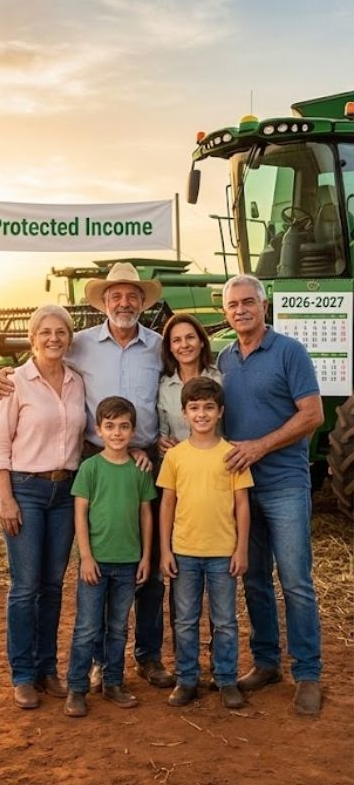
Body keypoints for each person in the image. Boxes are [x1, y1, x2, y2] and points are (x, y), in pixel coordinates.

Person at [0, 262, 175, 690]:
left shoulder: (158, 346)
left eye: (132, 295)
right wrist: (6, 377)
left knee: (144, 563)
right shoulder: (80, 344)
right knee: (94, 564)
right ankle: (90, 662)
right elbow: (44, 352)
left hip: (145, 460)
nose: (124, 302)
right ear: (105, 302)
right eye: (116, 295)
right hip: (92, 463)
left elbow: (181, 378)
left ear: (143, 301)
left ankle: (147, 656)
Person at [215, 274, 325, 714]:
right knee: (255, 579)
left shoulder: (289, 352)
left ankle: (309, 673)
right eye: (232, 305)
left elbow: (313, 414)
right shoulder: (222, 359)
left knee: (296, 581)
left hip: (283, 483)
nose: (240, 310)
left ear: (264, 307)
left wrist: (260, 446)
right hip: (239, 489)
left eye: (247, 302)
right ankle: (266, 662)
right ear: (224, 313)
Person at [0, 304, 85, 709]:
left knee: (52, 585)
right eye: (44, 332)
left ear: (69, 337)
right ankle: (23, 675)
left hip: (65, 492)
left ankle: (48, 670)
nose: (53, 338)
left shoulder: (78, 381)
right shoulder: (15, 383)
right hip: (26, 489)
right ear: (32, 338)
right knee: (25, 588)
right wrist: (5, 498)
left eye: (60, 331)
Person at [157, 377, 252, 710]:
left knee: (225, 620)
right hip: (184, 552)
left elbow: (242, 504)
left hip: (223, 553)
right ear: (184, 413)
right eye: (194, 408)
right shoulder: (175, 456)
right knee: (185, 620)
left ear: (220, 411)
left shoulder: (231, 455)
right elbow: (167, 503)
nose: (201, 414)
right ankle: (187, 679)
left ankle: (226, 679)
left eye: (208, 407)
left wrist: (241, 549)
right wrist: (165, 550)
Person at [63, 397, 155, 718]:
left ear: (133, 431)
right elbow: (80, 515)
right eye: (110, 426)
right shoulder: (90, 468)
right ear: (99, 430)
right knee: (87, 627)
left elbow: (146, 515)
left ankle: (113, 682)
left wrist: (145, 557)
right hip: (95, 563)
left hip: (128, 562)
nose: (117, 433)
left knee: (118, 627)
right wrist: (85, 557)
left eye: (124, 427)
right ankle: (76, 686)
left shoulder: (139, 470)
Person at [157, 313, 222, 456]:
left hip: (217, 463)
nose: (184, 345)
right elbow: (163, 433)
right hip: (179, 467)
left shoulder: (220, 379)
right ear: (170, 348)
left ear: (202, 341)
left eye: (190, 337)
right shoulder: (164, 387)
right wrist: (162, 442)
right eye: (176, 340)